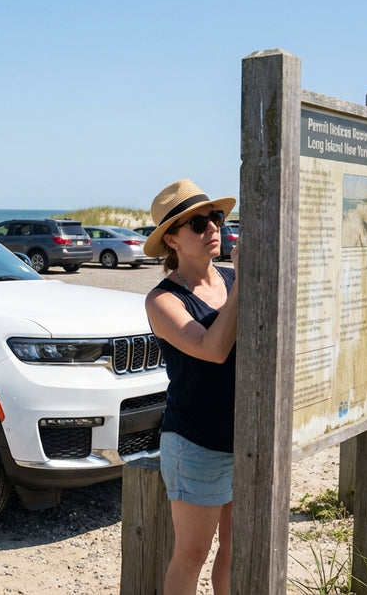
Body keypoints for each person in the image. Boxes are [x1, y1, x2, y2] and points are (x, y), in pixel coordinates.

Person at [143, 178, 239, 595]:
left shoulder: (233, 282)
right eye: (198, 223)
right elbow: (212, 349)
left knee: (237, 548)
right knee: (191, 555)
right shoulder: (163, 301)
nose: (212, 228)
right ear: (172, 240)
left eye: (215, 217)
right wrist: (249, 280)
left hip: (245, 439)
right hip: (196, 443)